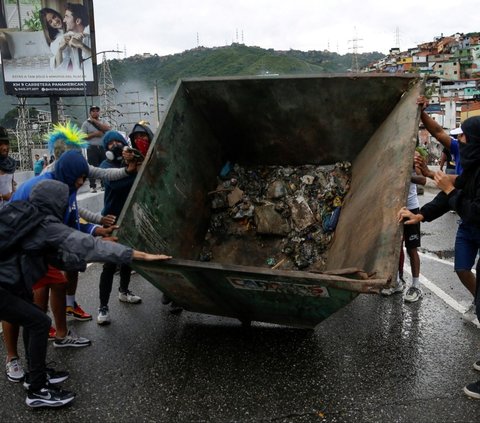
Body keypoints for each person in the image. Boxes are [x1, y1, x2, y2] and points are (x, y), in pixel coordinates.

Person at [0, 178, 171, 407]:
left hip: (11, 285)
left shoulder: (26, 217)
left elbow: (62, 257)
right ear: (56, 203)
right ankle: (37, 392)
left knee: (34, 318)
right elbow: (90, 247)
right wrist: (139, 256)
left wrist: (92, 251)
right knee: (40, 322)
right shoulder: (44, 225)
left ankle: (34, 376)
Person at [398, 115, 480, 400]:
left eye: (465, 137)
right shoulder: (473, 167)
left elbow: (472, 211)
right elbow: (449, 197)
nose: (460, 142)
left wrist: (445, 186)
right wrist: (421, 214)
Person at [417, 96, 477, 323]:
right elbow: (438, 132)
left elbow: (451, 187)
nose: (457, 139)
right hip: (466, 219)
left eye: (462, 135)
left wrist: (437, 181)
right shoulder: (462, 152)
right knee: (462, 268)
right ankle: (477, 298)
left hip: (475, 215)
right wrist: (421, 113)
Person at [97, 131, 142, 325]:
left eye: (119, 142)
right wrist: (132, 171)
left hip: (129, 218)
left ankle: (124, 291)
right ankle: (103, 307)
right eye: (111, 143)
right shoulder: (105, 166)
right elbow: (116, 186)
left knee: (127, 259)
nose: (115, 146)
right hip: (111, 219)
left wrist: (135, 163)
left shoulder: (129, 165)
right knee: (109, 264)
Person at [382, 151, 426, 302]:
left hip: (411, 209)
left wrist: (408, 177)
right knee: (394, 247)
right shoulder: (392, 153)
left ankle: (416, 286)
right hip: (394, 208)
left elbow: (423, 179)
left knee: (412, 248)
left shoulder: (414, 155)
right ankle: (396, 282)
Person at [81, 106, 111, 193]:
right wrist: (94, 134)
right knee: (92, 167)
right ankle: (92, 186)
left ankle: (104, 184)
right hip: (92, 147)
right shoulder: (85, 123)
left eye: (97, 111)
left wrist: (95, 122)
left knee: (104, 166)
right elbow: (82, 137)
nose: (95, 112)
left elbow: (108, 129)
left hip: (103, 147)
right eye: (93, 111)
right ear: (90, 113)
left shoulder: (103, 121)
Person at [39, 7, 73, 71]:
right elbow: (56, 68)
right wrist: (60, 49)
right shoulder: (55, 42)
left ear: (57, 14)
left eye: (54, 17)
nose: (55, 21)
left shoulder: (70, 23)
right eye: (50, 22)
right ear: (49, 26)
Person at [63, 3, 91, 70]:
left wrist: (81, 45)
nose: (64, 20)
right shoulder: (68, 37)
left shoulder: (91, 36)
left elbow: (99, 58)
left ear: (77, 21)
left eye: (67, 17)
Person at [0, 127, 16, 210]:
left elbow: (12, 186)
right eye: (0, 144)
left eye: (6, 143)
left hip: (9, 212)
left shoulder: (10, 164)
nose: (5, 147)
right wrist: (3, 196)